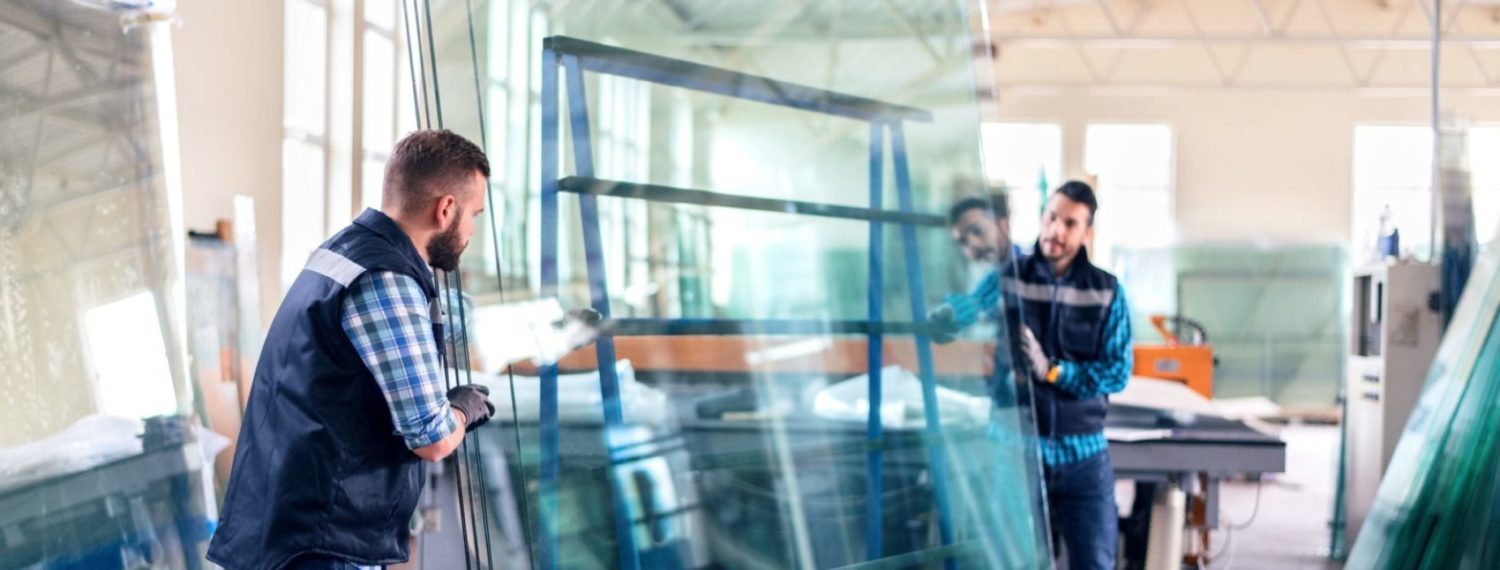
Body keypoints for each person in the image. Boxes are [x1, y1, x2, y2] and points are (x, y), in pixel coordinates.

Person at [208, 129, 497, 570]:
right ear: (445, 209)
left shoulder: (342, 252)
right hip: (321, 544)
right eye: (474, 214)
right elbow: (432, 437)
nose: (473, 229)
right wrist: (463, 408)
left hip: (286, 523)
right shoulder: (388, 279)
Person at [934, 181, 1132, 569]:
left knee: (1094, 560)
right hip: (1016, 449)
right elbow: (973, 306)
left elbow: (1117, 371)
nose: (1056, 230)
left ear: (1086, 232)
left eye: (1070, 223)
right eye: (1052, 217)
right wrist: (944, 318)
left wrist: (1053, 371)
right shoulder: (1011, 276)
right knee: (1009, 561)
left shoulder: (1107, 291)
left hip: (1083, 456)